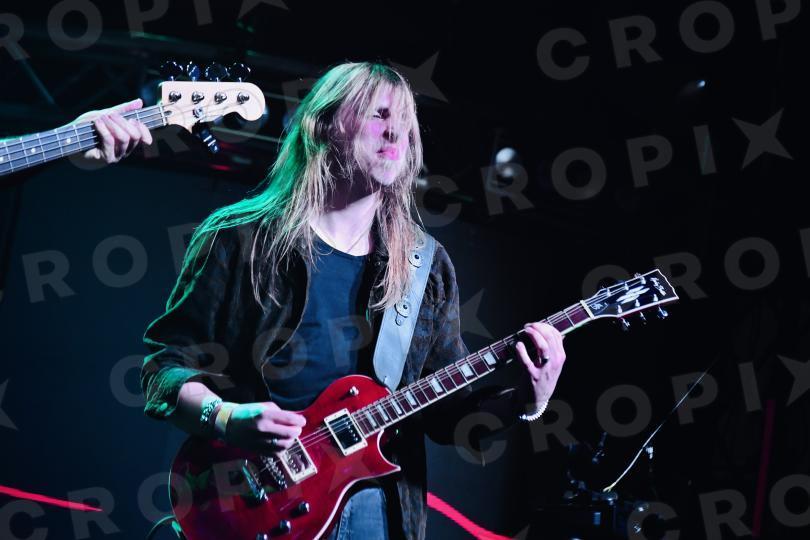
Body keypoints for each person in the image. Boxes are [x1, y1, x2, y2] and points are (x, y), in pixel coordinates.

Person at [140, 62, 567, 540]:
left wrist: (527, 402)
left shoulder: (424, 267)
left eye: (404, 124)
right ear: (324, 125)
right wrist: (226, 418)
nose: (395, 133)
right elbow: (164, 366)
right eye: (379, 114)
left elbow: (452, 417)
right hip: (247, 501)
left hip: (374, 515)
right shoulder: (240, 237)